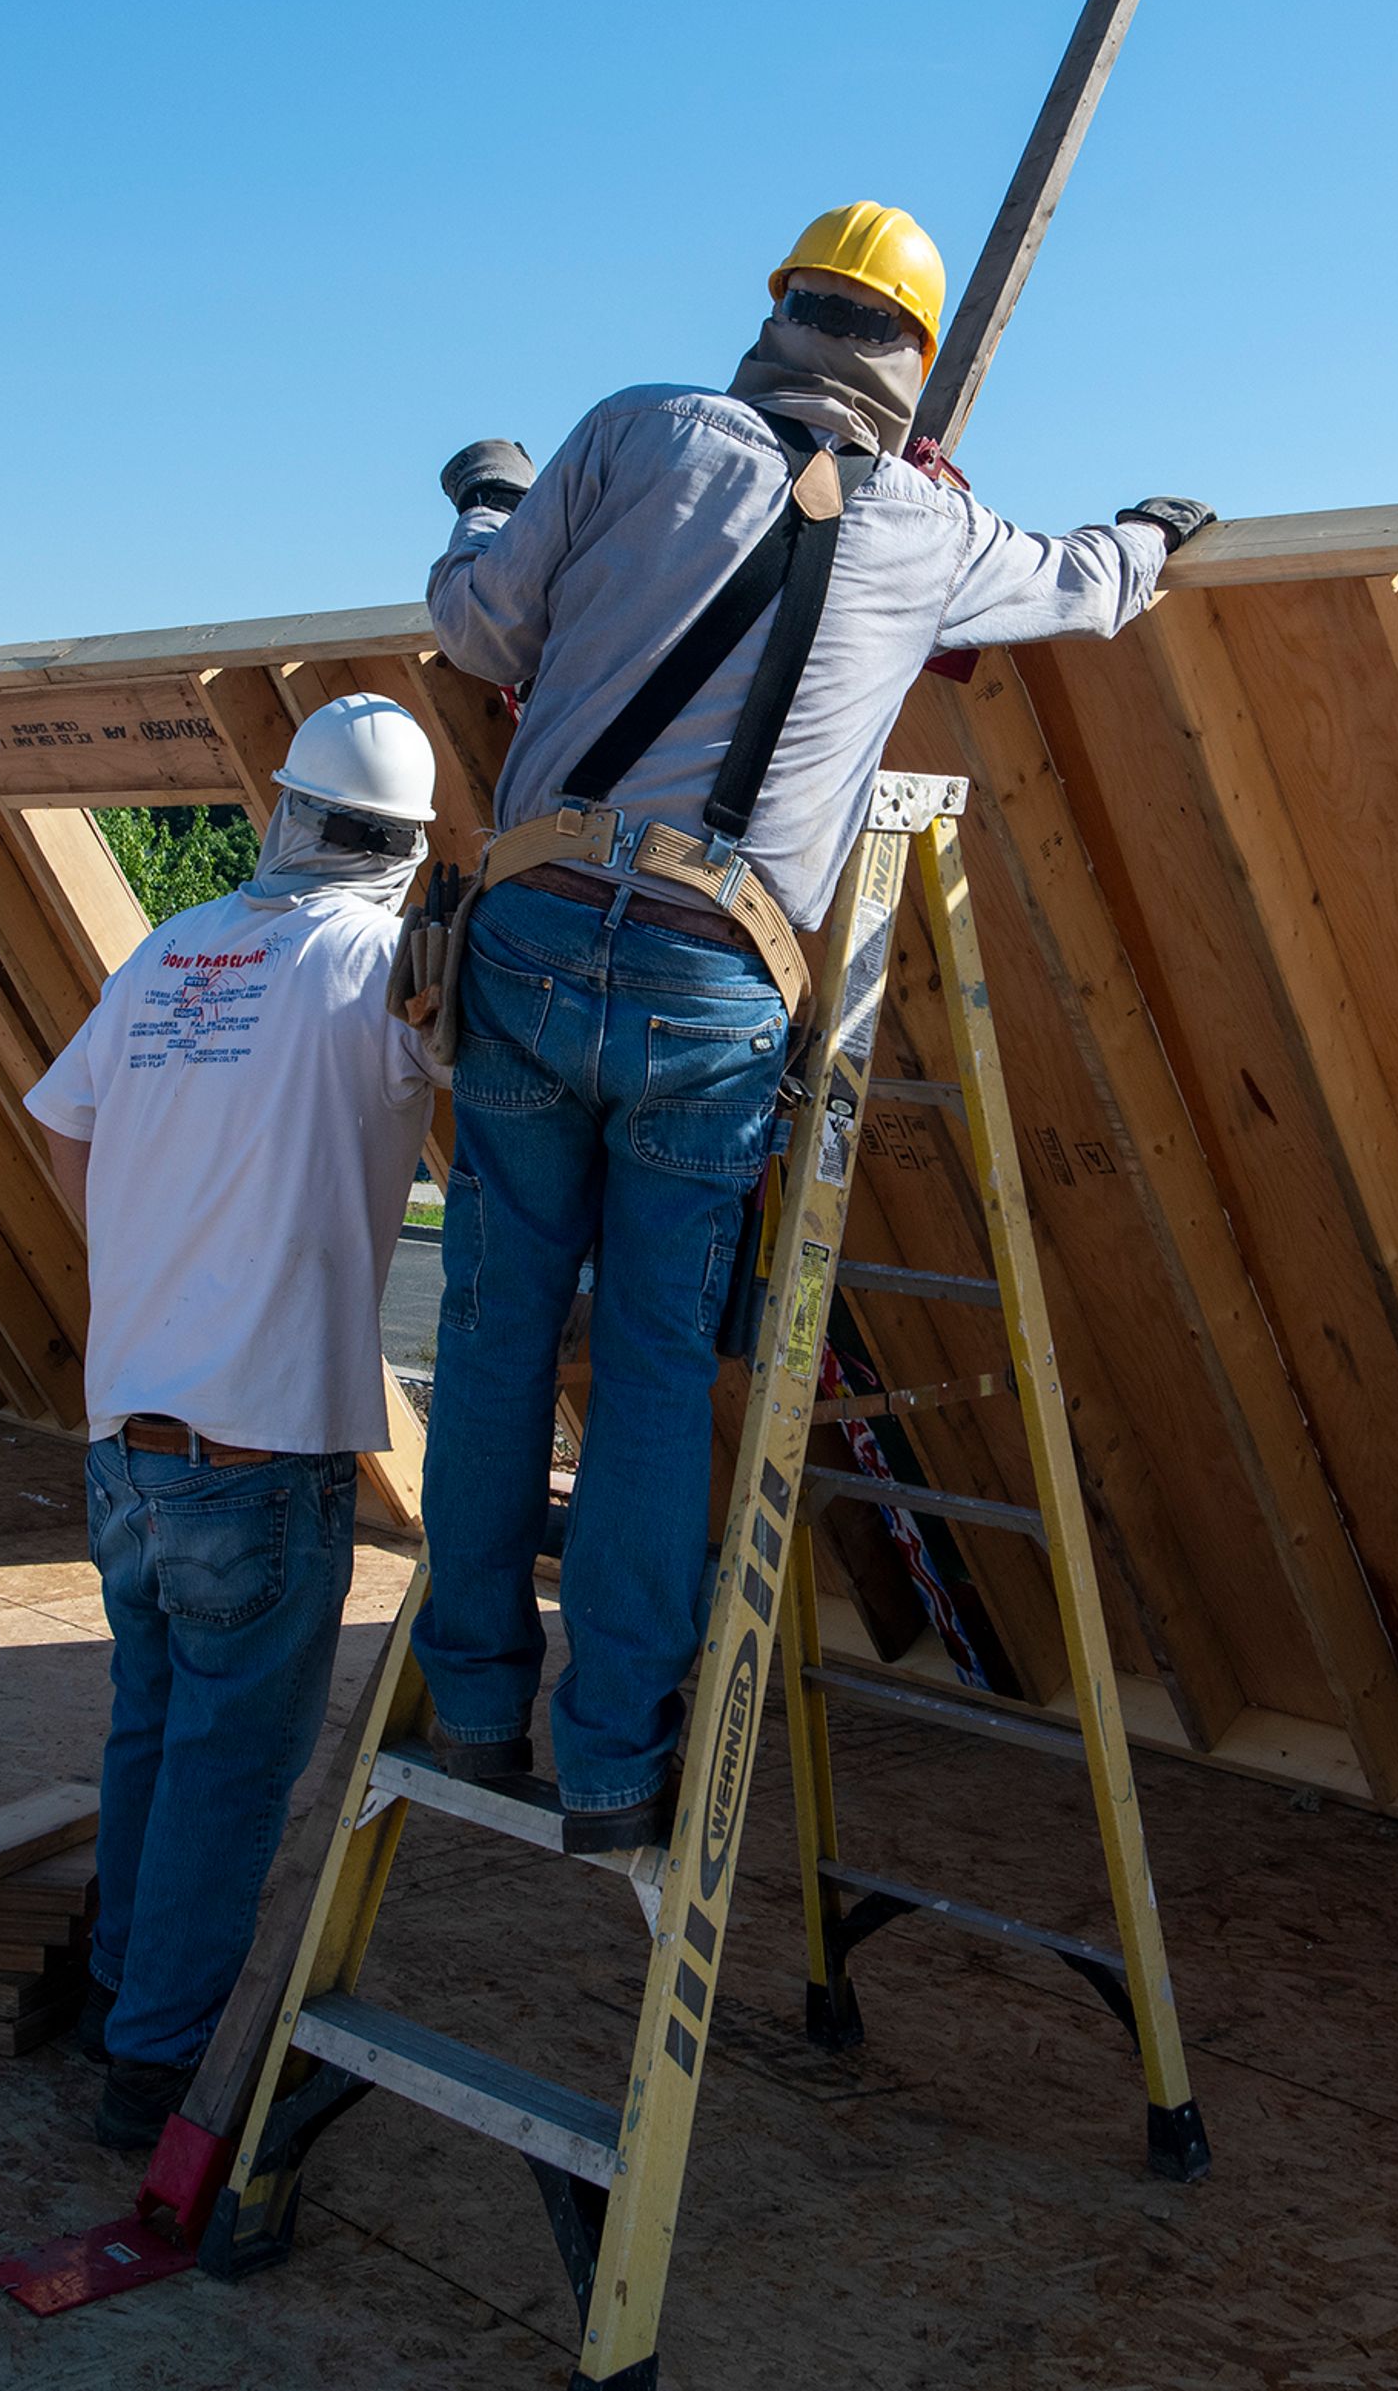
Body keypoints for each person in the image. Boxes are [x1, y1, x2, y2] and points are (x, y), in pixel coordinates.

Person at [414, 201, 1213, 1849]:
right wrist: (1152, 532)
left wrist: (491, 505)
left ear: (782, 306)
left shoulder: (638, 428)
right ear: (910, 364)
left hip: (539, 924)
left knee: (494, 1337)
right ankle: (621, 1762)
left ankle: (477, 1704)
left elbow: (480, 628)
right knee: (648, 1372)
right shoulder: (924, 529)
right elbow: (1077, 585)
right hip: (718, 983)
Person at [22, 695, 441, 2148]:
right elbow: (502, 1114)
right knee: (227, 1772)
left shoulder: (173, 945)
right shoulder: (386, 966)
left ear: (288, 812)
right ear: (409, 848)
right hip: (258, 1456)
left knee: (154, 1730)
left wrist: (142, 1263)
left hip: (125, 1439)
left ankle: (115, 1997)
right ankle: (159, 2066)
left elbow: (64, 1123)